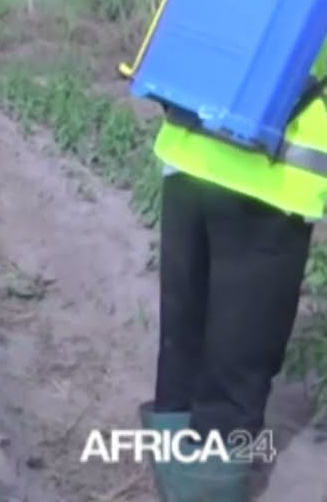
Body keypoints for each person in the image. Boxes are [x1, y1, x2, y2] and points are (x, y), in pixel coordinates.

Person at [141, 48, 327, 500]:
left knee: (185, 335)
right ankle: (207, 487)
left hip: (190, 153)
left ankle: (173, 472)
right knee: (236, 369)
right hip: (271, 175)